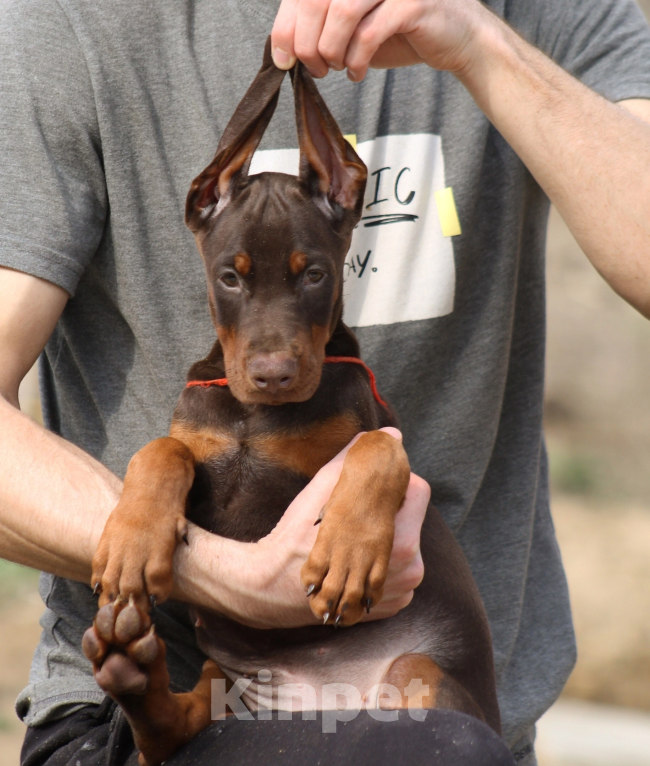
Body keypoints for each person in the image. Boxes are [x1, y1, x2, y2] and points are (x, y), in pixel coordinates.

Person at [1, 0, 650, 763]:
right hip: (180, 697)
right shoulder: (68, 21)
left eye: (308, 277)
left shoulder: (536, 11)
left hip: (434, 710)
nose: (272, 356)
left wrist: (480, 42)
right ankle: (161, 711)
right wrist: (219, 573)